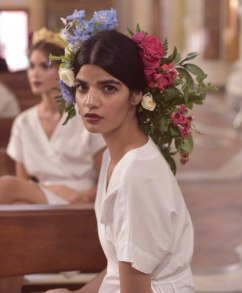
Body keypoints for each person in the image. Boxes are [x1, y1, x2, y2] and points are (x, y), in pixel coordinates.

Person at [44, 8, 203, 293]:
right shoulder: (113, 155)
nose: (90, 102)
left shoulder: (135, 176)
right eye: (82, 87)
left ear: (137, 94)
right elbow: (117, 268)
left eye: (108, 88)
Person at [0, 27, 106, 204]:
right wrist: (54, 189)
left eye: (44, 66)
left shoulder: (86, 117)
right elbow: (23, 182)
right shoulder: (23, 122)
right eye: (31, 66)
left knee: (5, 186)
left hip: (83, 201)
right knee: (9, 190)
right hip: (40, 199)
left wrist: (80, 197)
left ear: (63, 70)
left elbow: (105, 181)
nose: (35, 73)